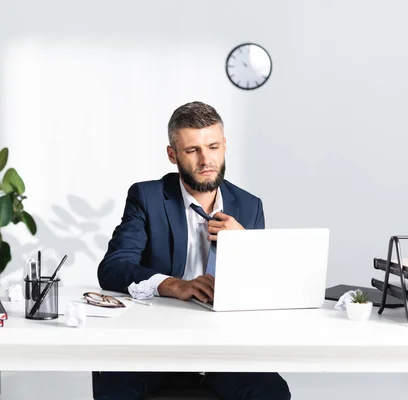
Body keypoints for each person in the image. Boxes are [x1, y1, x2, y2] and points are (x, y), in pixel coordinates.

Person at [93, 101, 291, 400]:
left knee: (273, 392)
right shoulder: (146, 197)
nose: (205, 159)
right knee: (114, 386)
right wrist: (175, 285)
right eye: (192, 150)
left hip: (226, 347)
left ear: (224, 146)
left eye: (213, 147)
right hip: (156, 343)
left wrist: (243, 244)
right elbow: (113, 269)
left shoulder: (250, 206)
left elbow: (260, 291)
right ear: (173, 155)